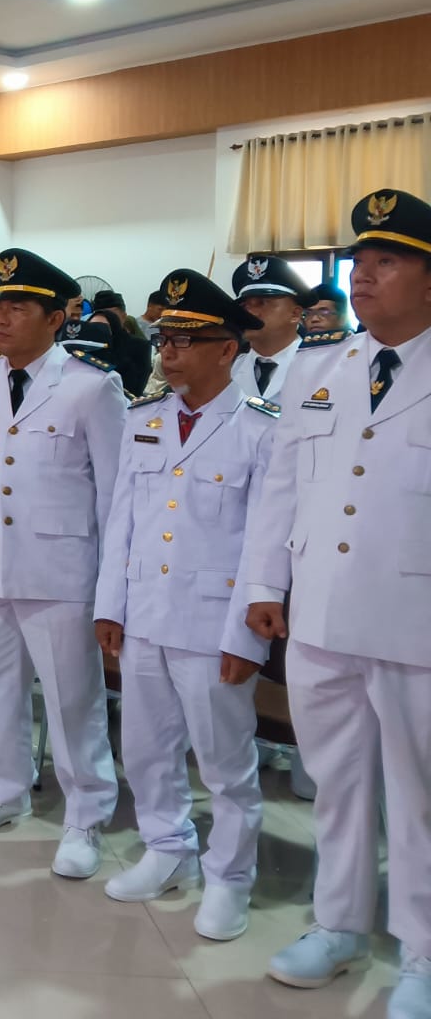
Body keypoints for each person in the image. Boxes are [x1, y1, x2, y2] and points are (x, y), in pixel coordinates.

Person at [238, 190, 431, 1015]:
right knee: (336, 782)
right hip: (319, 615)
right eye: (359, 261)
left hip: (415, 622)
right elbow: (279, 488)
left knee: (420, 795)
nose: (364, 276)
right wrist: (262, 585)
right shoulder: (319, 369)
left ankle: (423, 952)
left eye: (388, 261)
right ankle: (339, 925)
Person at [94, 269, 275, 941]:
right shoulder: (144, 419)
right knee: (145, 748)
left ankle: (230, 877)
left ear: (227, 349)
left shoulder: (260, 428)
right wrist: (110, 605)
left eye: (184, 341)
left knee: (225, 764)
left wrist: (246, 637)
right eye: (163, 339)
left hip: (212, 622)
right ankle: (167, 848)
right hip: (145, 612)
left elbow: (265, 543)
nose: (167, 352)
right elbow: (122, 520)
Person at [0, 248, 125, 883]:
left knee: (73, 700)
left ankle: (86, 814)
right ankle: (3, 790)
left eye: (18, 307)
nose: (1, 317)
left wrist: (110, 589)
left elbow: (115, 495)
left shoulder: (90, 386)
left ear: (56, 318)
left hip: (59, 571)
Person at [230, 254, 308, 402]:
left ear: (295, 314)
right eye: (245, 306)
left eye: (262, 303)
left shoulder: (321, 366)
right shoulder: (229, 369)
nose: (250, 313)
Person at [91, 289, 154, 395]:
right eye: (102, 316)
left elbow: (138, 387)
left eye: (112, 315)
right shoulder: (87, 345)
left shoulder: (141, 346)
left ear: (124, 316)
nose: (107, 320)